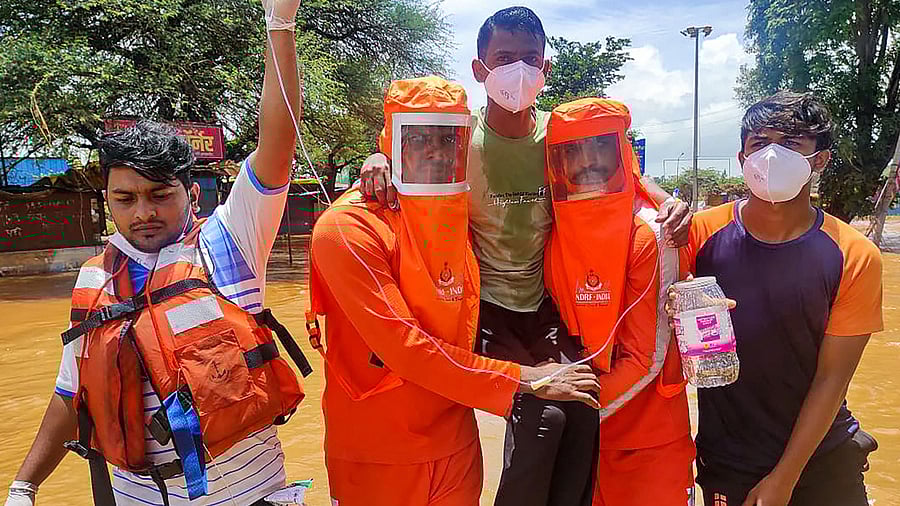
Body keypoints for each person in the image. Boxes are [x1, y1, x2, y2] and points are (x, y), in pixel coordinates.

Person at [356, 8, 693, 505]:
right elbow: (403, 151)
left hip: (545, 305)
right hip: (481, 309)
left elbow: (617, 168)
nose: (517, 70)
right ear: (479, 69)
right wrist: (377, 158)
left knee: (581, 405)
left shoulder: (560, 140)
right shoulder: (455, 140)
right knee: (541, 415)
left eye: (529, 59)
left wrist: (665, 198)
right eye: (503, 58)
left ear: (546, 70)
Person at [4, 1, 308, 505]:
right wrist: (24, 484)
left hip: (251, 495)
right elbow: (69, 394)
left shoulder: (230, 240)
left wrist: (280, 21)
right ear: (107, 202)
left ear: (191, 194)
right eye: (125, 199)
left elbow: (277, 145)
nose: (143, 212)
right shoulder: (95, 281)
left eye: (159, 195)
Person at [305, 76, 602, 506]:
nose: (435, 150)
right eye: (419, 136)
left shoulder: (454, 216)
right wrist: (525, 378)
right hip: (379, 454)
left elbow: (602, 182)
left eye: (448, 139)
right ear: (391, 141)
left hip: (454, 446)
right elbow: (405, 348)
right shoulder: (347, 229)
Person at [676, 91, 882, 506]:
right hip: (728, 459)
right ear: (742, 158)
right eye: (759, 143)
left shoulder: (853, 254)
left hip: (823, 459)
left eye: (790, 144)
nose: (771, 155)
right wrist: (673, 306)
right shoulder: (698, 236)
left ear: (819, 160)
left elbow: (832, 378)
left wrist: (784, 478)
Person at [542, 98, 695, 506]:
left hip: (647, 443)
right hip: (581, 443)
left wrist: (563, 411)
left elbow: (648, 358)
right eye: (573, 151)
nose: (587, 161)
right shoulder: (550, 223)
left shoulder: (654, 231)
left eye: (599, 147)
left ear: (622, 151)